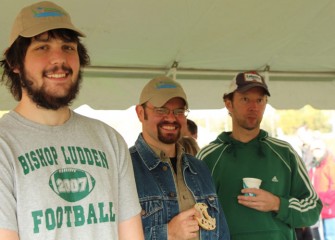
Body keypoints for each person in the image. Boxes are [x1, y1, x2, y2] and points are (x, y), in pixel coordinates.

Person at [0, 1, 143, 240]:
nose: (59, 59)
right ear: (15, 63)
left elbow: (131, 234)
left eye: (68, 47)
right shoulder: (5, 145)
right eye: (42, 47)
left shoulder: (109, 140)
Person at [197, 71, 322, 240]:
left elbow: (313, 209)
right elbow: (193, 212)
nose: (253, 107)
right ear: (228, 104)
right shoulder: (208, 157)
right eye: (245, 99)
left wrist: (277, 204)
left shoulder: (285, 153)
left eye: (260, 100)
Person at [129, 76, 230, 239]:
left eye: (179, 111)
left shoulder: (200, 168)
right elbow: (108, 233)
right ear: (141, 113)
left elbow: (222, 233)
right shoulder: (124, 168)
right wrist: (167, 233)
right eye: (161, 110)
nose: (171, 118)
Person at [308, 139, 335, 240]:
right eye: (313, 150)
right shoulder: (314, 165)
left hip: (330, 208)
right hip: (319, 207)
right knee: (321, 234)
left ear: (324, 149)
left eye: (318, 149)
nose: (315, 152)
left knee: (330, 234)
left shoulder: (330, 165)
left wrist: (326, 200)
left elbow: (334, 186)